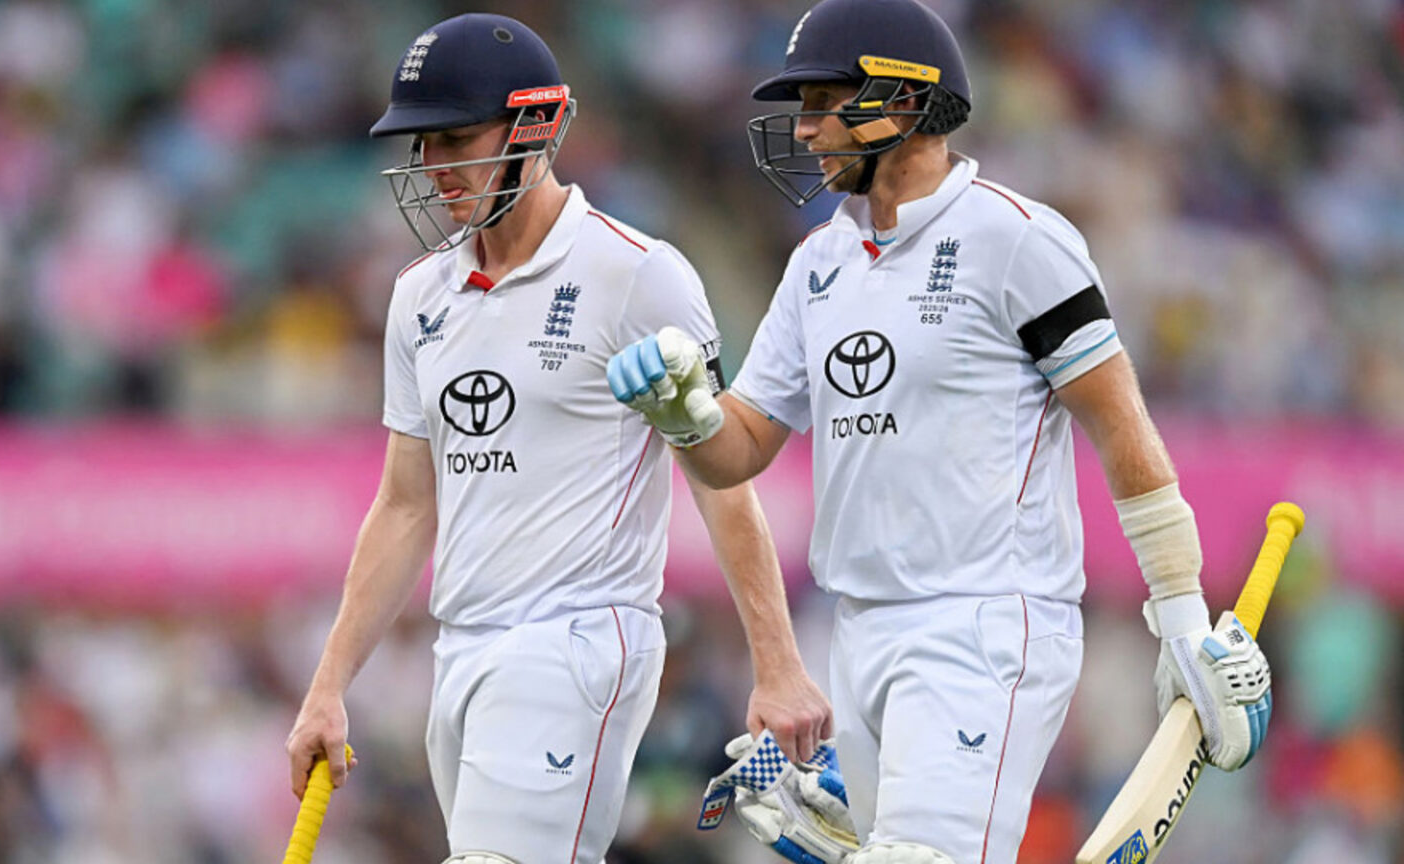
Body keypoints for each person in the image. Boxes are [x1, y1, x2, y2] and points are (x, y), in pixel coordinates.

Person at [606, 1, 1275, 862]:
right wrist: (686, 413)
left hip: (987, 623)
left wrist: (1181, 621)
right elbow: (741, 448)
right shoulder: (819, 264)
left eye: (823, 103)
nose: (806, 131)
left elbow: (1122, 430)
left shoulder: (1018, 239)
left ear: (905, 101)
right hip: (859, 632)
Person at [284, 13, 831, 864]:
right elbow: (403, 504)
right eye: (421, 144)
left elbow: (720, 474)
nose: (434, 168)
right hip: (462, 650)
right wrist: (329, 687)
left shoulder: (639, 275)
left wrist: (778, 665)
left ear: (535, 125)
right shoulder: (418, 297)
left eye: (456, 138)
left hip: (578, 641)